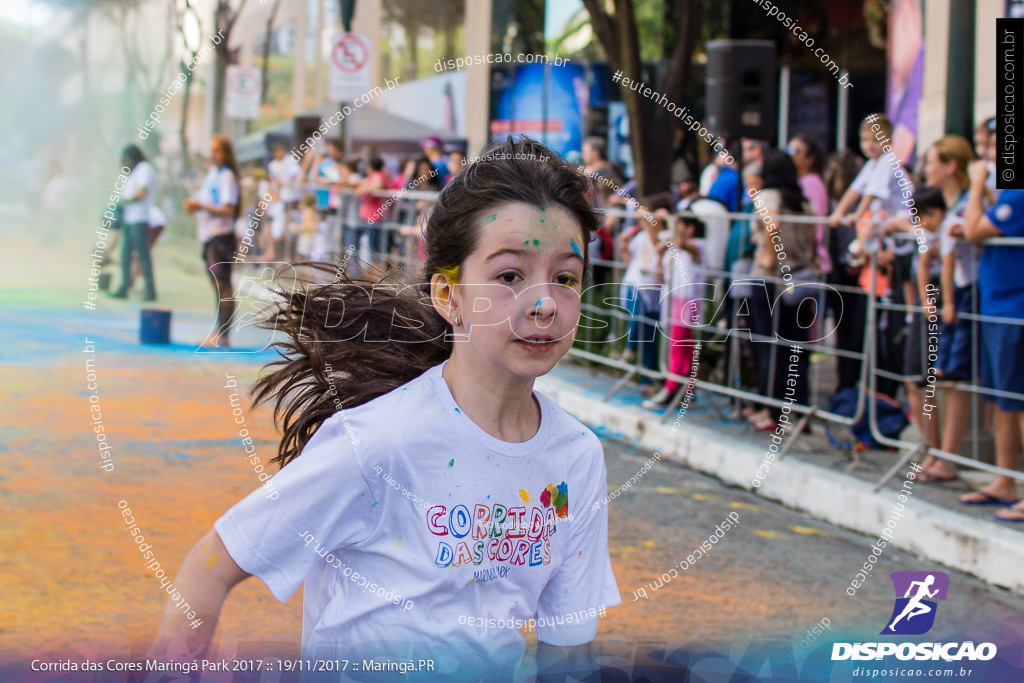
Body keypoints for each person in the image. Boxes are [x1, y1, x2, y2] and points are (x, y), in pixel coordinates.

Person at [148, 136, 621, 678]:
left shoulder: (577, 457)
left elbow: (569, 651)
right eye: (509, 275)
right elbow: (211, 567)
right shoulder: (378, 443)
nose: (543, 304)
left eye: (565, 278)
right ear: (449, 297)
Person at [956, 160, 1024, 517]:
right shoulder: (1010, 194)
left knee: (1018, 402)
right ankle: (1004, 478)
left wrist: (978, 181)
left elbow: (973, 231)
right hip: (999, 307)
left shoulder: (1019, 192)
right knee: (1002, 403)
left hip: (1014, 308)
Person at [746, 149, 818, 432]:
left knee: (769, 346)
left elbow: (772, 223)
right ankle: (798, 410)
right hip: (800, 279)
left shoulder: (767, 197)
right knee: (796, 347)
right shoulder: (804, 203)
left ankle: (773, 411)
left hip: (771, 279)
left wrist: (769, 253)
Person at [643, 210, 705, 409]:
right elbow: (661, 274)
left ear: (690, 229)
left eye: (679, 226)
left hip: (688, 303)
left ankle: (671, 388)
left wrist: (669, 221)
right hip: (673, 300)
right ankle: (686, 389)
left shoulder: (697, 246)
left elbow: (681, 243)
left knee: (679, 347)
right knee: (681, 347)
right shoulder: (674, 249)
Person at [185, 134, 240, 348]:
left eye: (217, 150)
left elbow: (228, 209)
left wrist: (201, 207)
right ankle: (219, 334)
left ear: (226, 153)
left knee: (223, 286)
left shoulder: (227, 176)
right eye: (212, 150)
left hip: (221, 238)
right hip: (210, 236)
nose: (213, 155)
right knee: (218, 287)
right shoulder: (213, 175)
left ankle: (223, 336)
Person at [111, 145, 158, 301]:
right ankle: (124, 287)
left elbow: (142, 192)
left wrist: (126, 201)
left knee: (142, 255)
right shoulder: (135, 172)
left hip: (139, 219)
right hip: (130, 218)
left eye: (127, 159)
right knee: (125, 255)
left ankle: (150, 290)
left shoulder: (144, 168)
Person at [787, 135, 831, 276]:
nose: (790, 155)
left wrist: (813, 253)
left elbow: (816, 222)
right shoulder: (801, 182)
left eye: (795, 151)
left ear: (810, 159)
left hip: (810, 257)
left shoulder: (811, 183)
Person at [267, 143, 302, 261]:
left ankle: (290, 256)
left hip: (291, 199)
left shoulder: (290, 160)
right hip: (280, 200)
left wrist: (285, 183)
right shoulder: (272, 165)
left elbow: (293, 175)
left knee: (291, 227)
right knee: (279, 228)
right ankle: (281, 256)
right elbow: (275, 181)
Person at [354, 156, 393, 257]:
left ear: (369, 167)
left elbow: (377, 185)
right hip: (370, 219)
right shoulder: (376, 176)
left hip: (375, 219)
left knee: (374, 251)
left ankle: (374, 272)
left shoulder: (378, 176)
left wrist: (361, 191)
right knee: (369, 250)